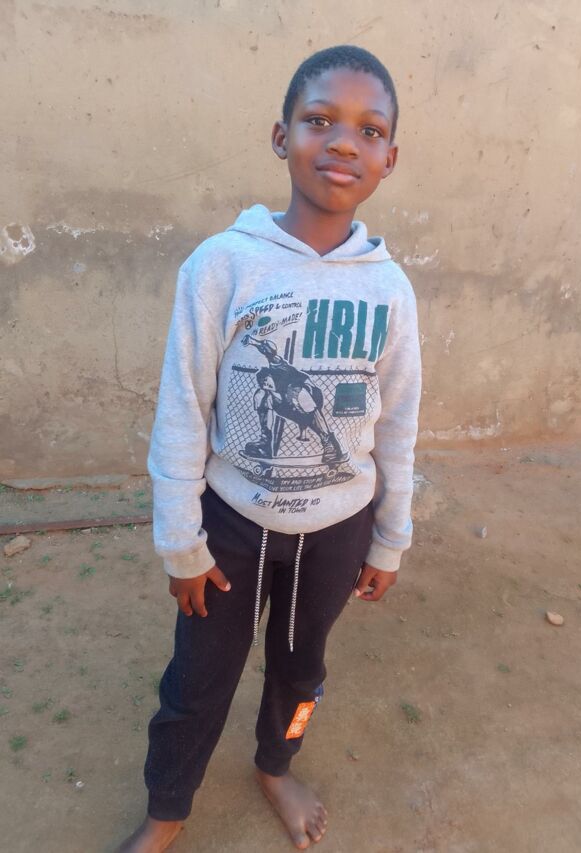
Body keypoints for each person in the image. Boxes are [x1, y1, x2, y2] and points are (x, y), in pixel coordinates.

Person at [119, 44, 422, 853]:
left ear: (390, 157)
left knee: (302, 671)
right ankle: (167, 806)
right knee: (197, 678)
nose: (344, 141)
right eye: (319, 120)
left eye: (369, 129)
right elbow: (183, 409)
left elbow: (398, 422)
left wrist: (390, 536)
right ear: (281, 136)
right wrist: (180, 541)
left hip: (338, 532)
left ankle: (276, 764)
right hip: (230, 527)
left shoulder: (389, 289)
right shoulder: (223, 266)